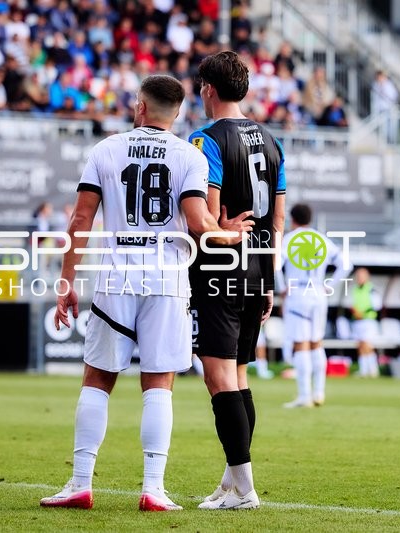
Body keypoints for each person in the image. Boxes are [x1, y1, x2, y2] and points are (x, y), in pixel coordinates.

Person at [39, 75, 254, 512]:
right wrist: (226, 234)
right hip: (166, 280)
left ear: (140, 106)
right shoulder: (187, 156)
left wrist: (66, 282)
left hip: (117, 276)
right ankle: (153, 489)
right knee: (159, 384)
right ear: (176, 113)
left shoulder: (105, 149)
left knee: (97, 379)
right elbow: (198, 223)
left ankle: (81, 483)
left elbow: (80, 222)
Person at [188, 50, 286, 510]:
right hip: (258, 268)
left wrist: (221, 232)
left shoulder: (205, 139)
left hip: (218, 268)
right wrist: (268, 277)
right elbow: (278, 220)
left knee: (218, 377)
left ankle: (245, 490)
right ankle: (232, 482)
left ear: (208, 88)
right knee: (240, 376)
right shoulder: (271, 141)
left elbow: (205, 217)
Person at [280, 203, 349, 408]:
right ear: (310, 219)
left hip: (298, 292)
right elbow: (346, 265)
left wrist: (282, 286)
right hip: (318, 292)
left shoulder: (290, 239)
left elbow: (276, 264)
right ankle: (319, 392)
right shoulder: (322, 239)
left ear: (292, 220)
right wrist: (330, 286)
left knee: (301, 343)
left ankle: (304, 396)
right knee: (317, 342)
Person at [351, 267, 381, 377]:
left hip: (368, 321)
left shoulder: (371, 289)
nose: (359, 278)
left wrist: (363, 313)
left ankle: (373, 369)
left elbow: (377, 306)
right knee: (360, 346)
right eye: (358, 276)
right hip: (357, 321)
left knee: (367, 345)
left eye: (361, 276)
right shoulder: (355, 289)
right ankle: (363, 370)